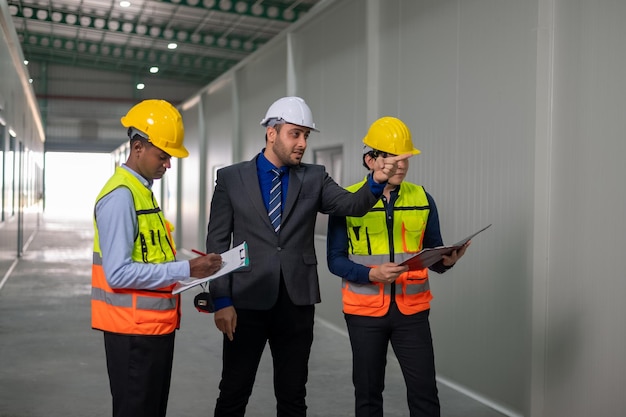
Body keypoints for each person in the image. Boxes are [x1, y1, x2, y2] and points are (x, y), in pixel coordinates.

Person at [204, 96, 412, 417]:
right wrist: (221, 301)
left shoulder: (314, 177)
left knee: (293, 395)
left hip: (296, 303)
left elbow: (350, 206)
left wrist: (376, 182)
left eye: (306, 136)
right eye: (295, 134)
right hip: (246, 302)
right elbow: (217, 245)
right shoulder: (232, 178)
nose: (302, 143)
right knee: (233, 391)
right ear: (272, 133)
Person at [326, 116, 469, 417]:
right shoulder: (346, 201)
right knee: (367, 397)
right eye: (392, 157)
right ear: (370, 160)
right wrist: (370, 274)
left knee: (425, 395)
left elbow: (433, 251)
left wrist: (447, 262)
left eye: (405, 158)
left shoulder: (422, 198)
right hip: (364, 313)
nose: (400, 165)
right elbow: (335, 260)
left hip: (412, 313)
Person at [91, 99, 223, 417]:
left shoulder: (141, 191)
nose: (168, 165)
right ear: (138, 147)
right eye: (163, 156)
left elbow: (149, 259)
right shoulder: (121, 197)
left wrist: (191, 270)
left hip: (152, 329)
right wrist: (187, 268)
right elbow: (118, 274)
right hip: (133, 334)